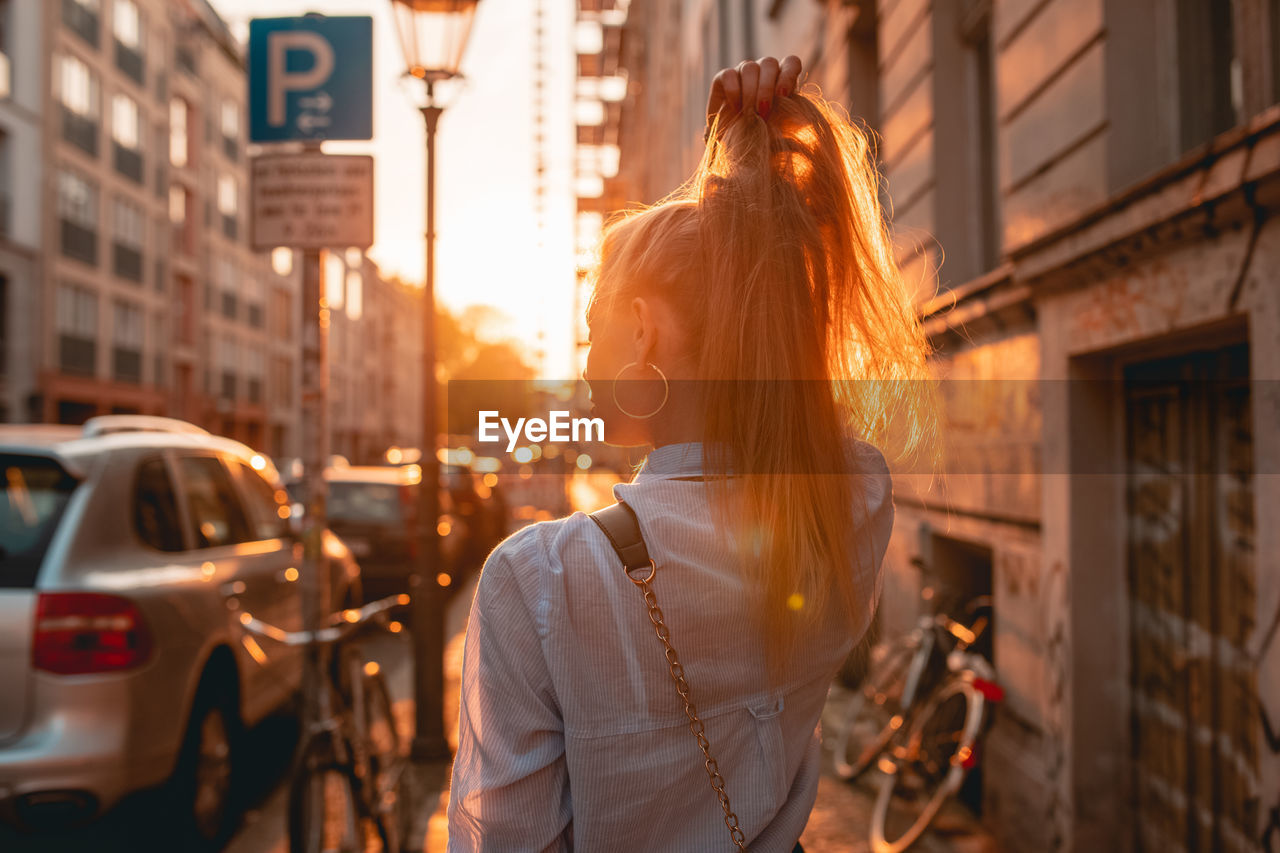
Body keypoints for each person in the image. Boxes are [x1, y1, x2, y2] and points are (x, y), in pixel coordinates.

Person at [448, 56, 934, 852]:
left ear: (642, 330)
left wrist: (736, 160)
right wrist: (747, 161)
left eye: (590, 327)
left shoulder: (540, 583)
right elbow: (784, 327)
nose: (583, 359)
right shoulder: (846, 507)